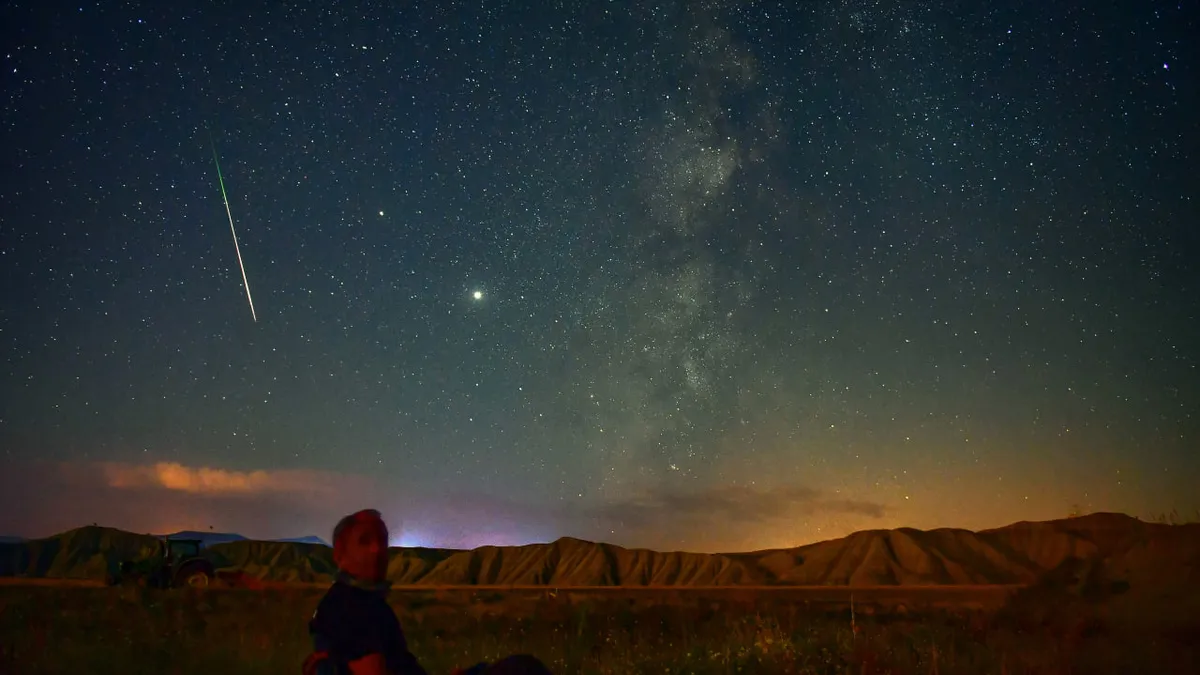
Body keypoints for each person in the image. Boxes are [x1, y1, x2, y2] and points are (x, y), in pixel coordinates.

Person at [304, 509, 553, 675]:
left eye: (382, 541)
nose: (377, 550)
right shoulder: (347, 606)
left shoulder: (368, 604)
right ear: (339, 555)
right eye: (365, 541)